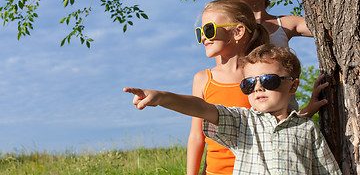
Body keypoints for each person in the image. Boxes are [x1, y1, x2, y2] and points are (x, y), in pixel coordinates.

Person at [123, 44, 342, 175]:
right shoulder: (243, 121)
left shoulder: (307, 128)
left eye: (268, 80)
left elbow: (327, 171)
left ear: (293, 85)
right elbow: (203, 108)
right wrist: (162, 97)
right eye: (249, 83)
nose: (258, 87)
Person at [219, 0, 318, 112]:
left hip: (285, 118)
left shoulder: (285, 24)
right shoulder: (228, 33)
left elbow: (332, 29)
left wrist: (308, 110)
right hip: (247, 121)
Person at [189, 0, 269, 174]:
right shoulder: (203, 79)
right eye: (200, 32)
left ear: (238, 31)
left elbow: (274, 122)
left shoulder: (257, 76)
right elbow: (197, 136)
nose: (203, 37)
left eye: (209, 30)